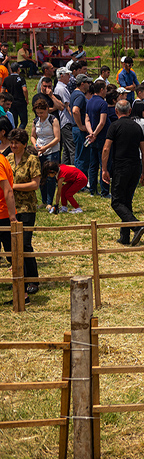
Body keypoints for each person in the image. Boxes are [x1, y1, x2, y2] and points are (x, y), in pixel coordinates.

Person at [102, 99, 144, 246]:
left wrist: (104, 169)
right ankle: (125, 237)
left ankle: (136, 225)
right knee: (126, 201)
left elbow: (106, 149)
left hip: (121, 167)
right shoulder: (137, 127)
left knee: (116, 202)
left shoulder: (114, 126)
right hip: (135, 167)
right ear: (129, 111)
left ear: (116, 111)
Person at [8, 129, 40, 294]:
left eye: (16, 143)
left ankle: (33, 280)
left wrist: (13, 187)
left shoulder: (32, 160)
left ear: (24, 144)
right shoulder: (7, 159)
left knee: (25, 244)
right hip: (10, 208)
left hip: (27, 208)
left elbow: (35, 184)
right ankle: (20, 277)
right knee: (13, 245)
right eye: (11, 142)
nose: (13, 145)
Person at [31, 95, 60, 211]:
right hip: (40, 151)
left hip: (52, 151)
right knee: (42, 177)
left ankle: (49, 202)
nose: (39, 115)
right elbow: (33, 136)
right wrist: (35, 146)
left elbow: (57, 138)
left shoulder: (53, 120)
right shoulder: (35, 121)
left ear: (47, 110)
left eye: (41, 112)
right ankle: (43, 201)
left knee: (50, 177)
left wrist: (45, 148)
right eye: (38, 113)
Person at [3, 62, 28, 129]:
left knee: (14, 120)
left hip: (11, 102)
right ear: (18, 69)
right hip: (21, 102)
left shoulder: (6, 79)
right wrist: (27, 99)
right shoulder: (21, 78)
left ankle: (14, 132)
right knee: (23, 121)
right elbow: (24, 90)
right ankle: (19, 133)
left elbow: (2, 91)